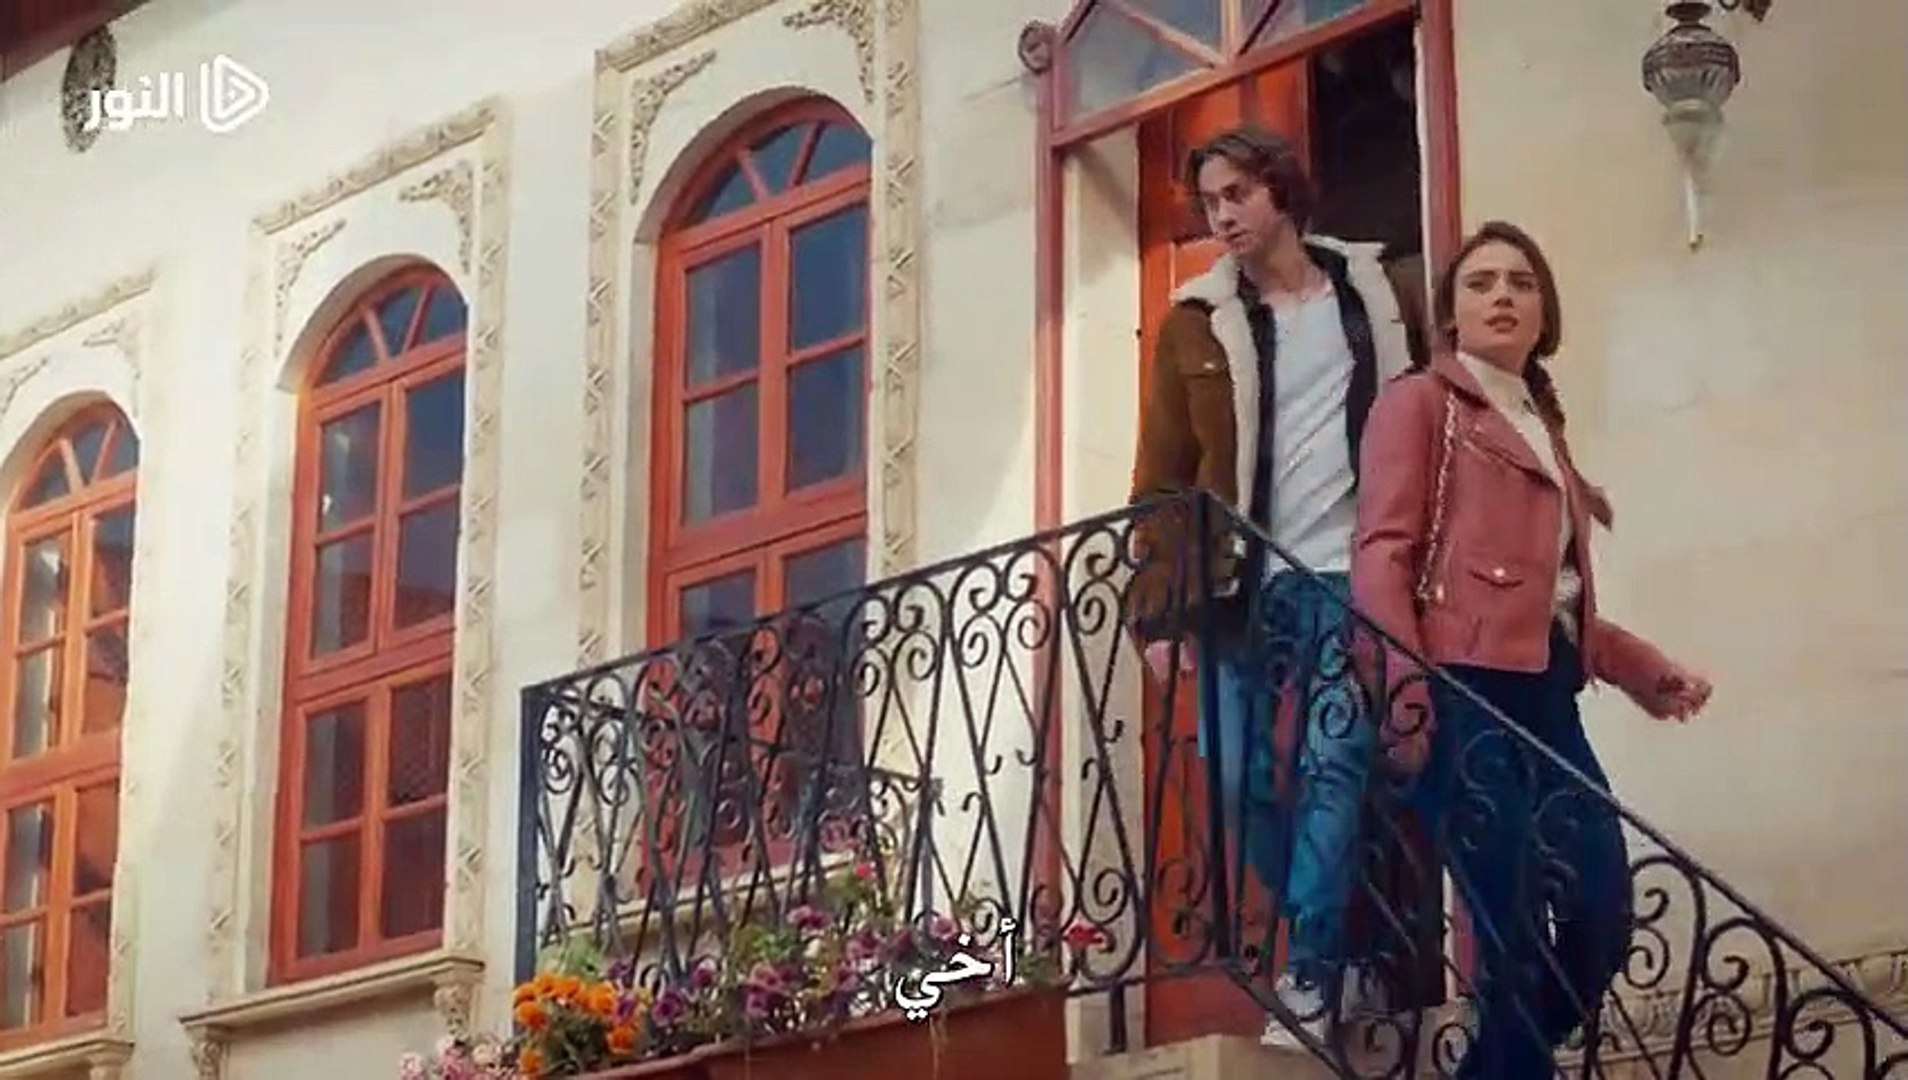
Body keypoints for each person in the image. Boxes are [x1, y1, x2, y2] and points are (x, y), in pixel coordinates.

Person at [1351, 220, 1714, 1077]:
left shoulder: (1543, 425)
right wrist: (1406, 688)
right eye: (1480, 283)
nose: (1503, 296)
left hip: (1548, 697)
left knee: (1601, 917)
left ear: (1545, 311)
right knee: (1509, 931)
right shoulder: (1419, 403)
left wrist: (1644, 670)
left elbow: (1548, 598)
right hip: (1461, 690)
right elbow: (1382, 554)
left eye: (1521, 282)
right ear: (1450, 313)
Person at [1126, 125, 1427, 1047]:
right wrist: (1158, 618)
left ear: (1282, 191)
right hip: (1238, 583)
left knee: (1335, 763)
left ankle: (1310, 970)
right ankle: (1357, 937)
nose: (1222, 215)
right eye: (1209, 201)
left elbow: (1433, 423)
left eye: (1237, 194)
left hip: (1347, 576)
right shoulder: (1194, 323)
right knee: (1238, 779)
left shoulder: (1376, 296)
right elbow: (1162, 480)